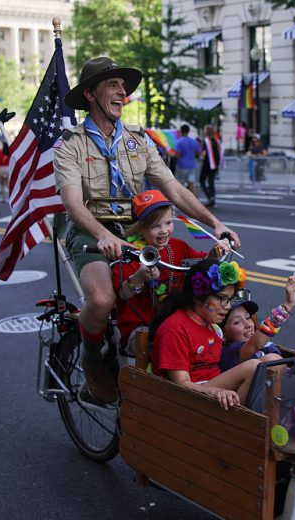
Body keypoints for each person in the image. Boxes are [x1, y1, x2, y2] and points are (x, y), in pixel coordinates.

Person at [54, 56, 241, 403]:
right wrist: (103, 235)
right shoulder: (72, 145)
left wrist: (215, 224)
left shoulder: (139, 140)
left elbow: (174, 189)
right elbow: (74, 205)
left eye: (123, 86)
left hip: (135, 228)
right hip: (90, 232)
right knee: (102, 298)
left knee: (179, 285)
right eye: (113, 84)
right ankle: (92, 360)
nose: (122, 91)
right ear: (91, 94)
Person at [112, 190, 220, 355]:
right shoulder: (129, 253)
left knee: (218, 332)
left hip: (176, 322)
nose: (164, 230)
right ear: (141, 228)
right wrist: (140, 277)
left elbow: (202, 265)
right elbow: (123, 293)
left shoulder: (178, 246)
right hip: (140, 328)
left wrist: (215, 253)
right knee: (174, 343)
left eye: (168, 223)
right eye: (156, 226)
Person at [149, 259, 260, 411]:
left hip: (211, 387)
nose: (228, 306)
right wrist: (215, 391)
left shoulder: (212, 326)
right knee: (253, 367)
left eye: (230, 299)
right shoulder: (175, 329)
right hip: (187, 398)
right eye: (222, 298)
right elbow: (181, 384)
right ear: (197, 296)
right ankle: (235, 426)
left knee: (271, 361)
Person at [174, 125, 201, 196]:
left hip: (182, 165)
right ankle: (195, 201)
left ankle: (182, 201)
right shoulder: (194, 142)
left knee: (180, 184)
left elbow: (177, 155)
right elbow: (198, 153)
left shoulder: (179, 142)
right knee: (191, 184)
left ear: (181, 131)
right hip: (192, 165)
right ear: (188, 131)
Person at [199, 125, 221, 207]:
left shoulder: (206, 141)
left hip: (207, 163)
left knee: (201, 180)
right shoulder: (217, 141)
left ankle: (210, 197)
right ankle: (212, 198)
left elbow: (204, 153)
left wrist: (201, 156)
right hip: (215, 164)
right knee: (211, 182)